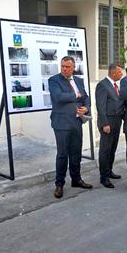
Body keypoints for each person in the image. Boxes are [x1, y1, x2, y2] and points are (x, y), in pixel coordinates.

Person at [48, 56, 92, 199]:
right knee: (62, 155)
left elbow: (86, 97)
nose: (64, 69)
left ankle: (76, 179)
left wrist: (86, 108)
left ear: (73, 67)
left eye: (67, 67)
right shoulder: (54, 80)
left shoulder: (78, 80)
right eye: (62, 66)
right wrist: (75, 95)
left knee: (76, 152)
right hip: (61, 123)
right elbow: (58, 97)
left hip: (76, 121)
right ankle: (59, 184)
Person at [95, 63, 123, 189]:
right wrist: (105, 123)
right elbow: (100, 107)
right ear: (113, 73)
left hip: (116, 122)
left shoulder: (115, 85)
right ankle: (104, 177)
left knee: (112, 149)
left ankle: (109, 171)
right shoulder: (102, 85)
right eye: (120, 72)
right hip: (107, 124)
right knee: (105, 150)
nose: (121, 74)